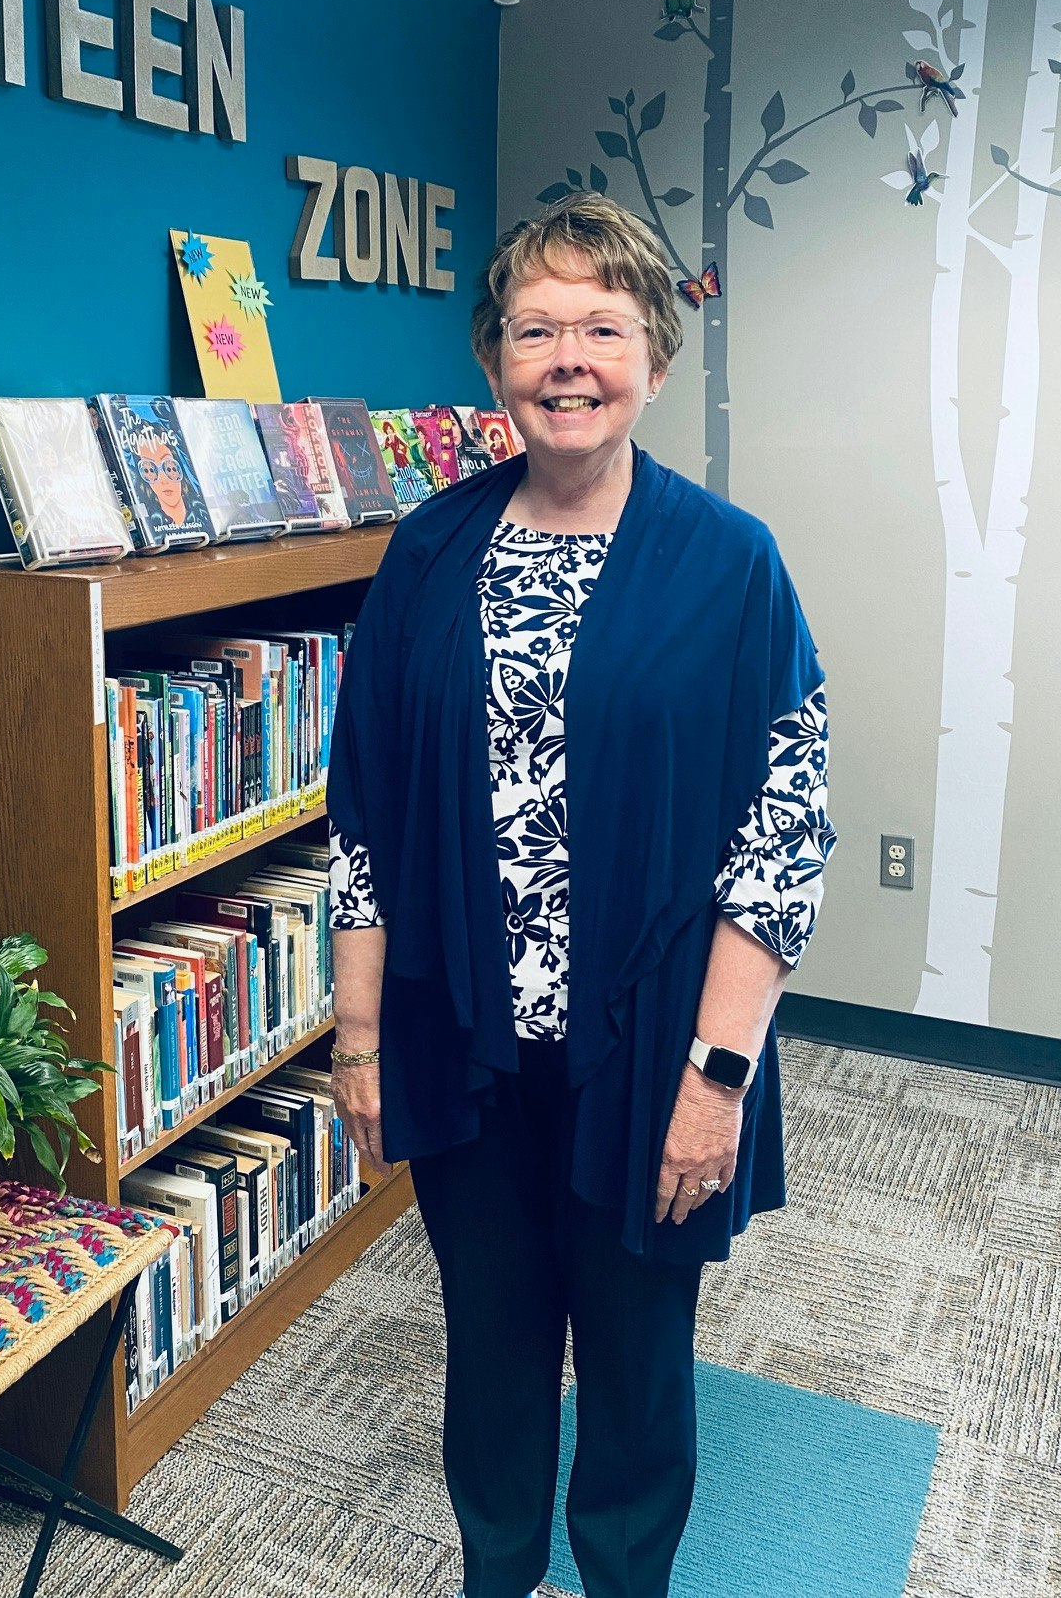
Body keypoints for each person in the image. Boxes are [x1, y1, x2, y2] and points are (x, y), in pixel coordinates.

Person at [326, 194, 836, 1598]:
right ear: (494, 361)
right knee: (489, 1348)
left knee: (630, 1362)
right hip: (459, 1046)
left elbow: (779, 842)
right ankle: (495, 1571)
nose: (568, 358)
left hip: (656, 1059)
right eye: (535, 328)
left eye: (601, 328)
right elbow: (362, 812)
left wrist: (716, 1079)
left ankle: (622, 1582)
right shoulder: (426, 551)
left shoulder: (730, 566)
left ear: (652, 360)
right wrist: (358, 1038)